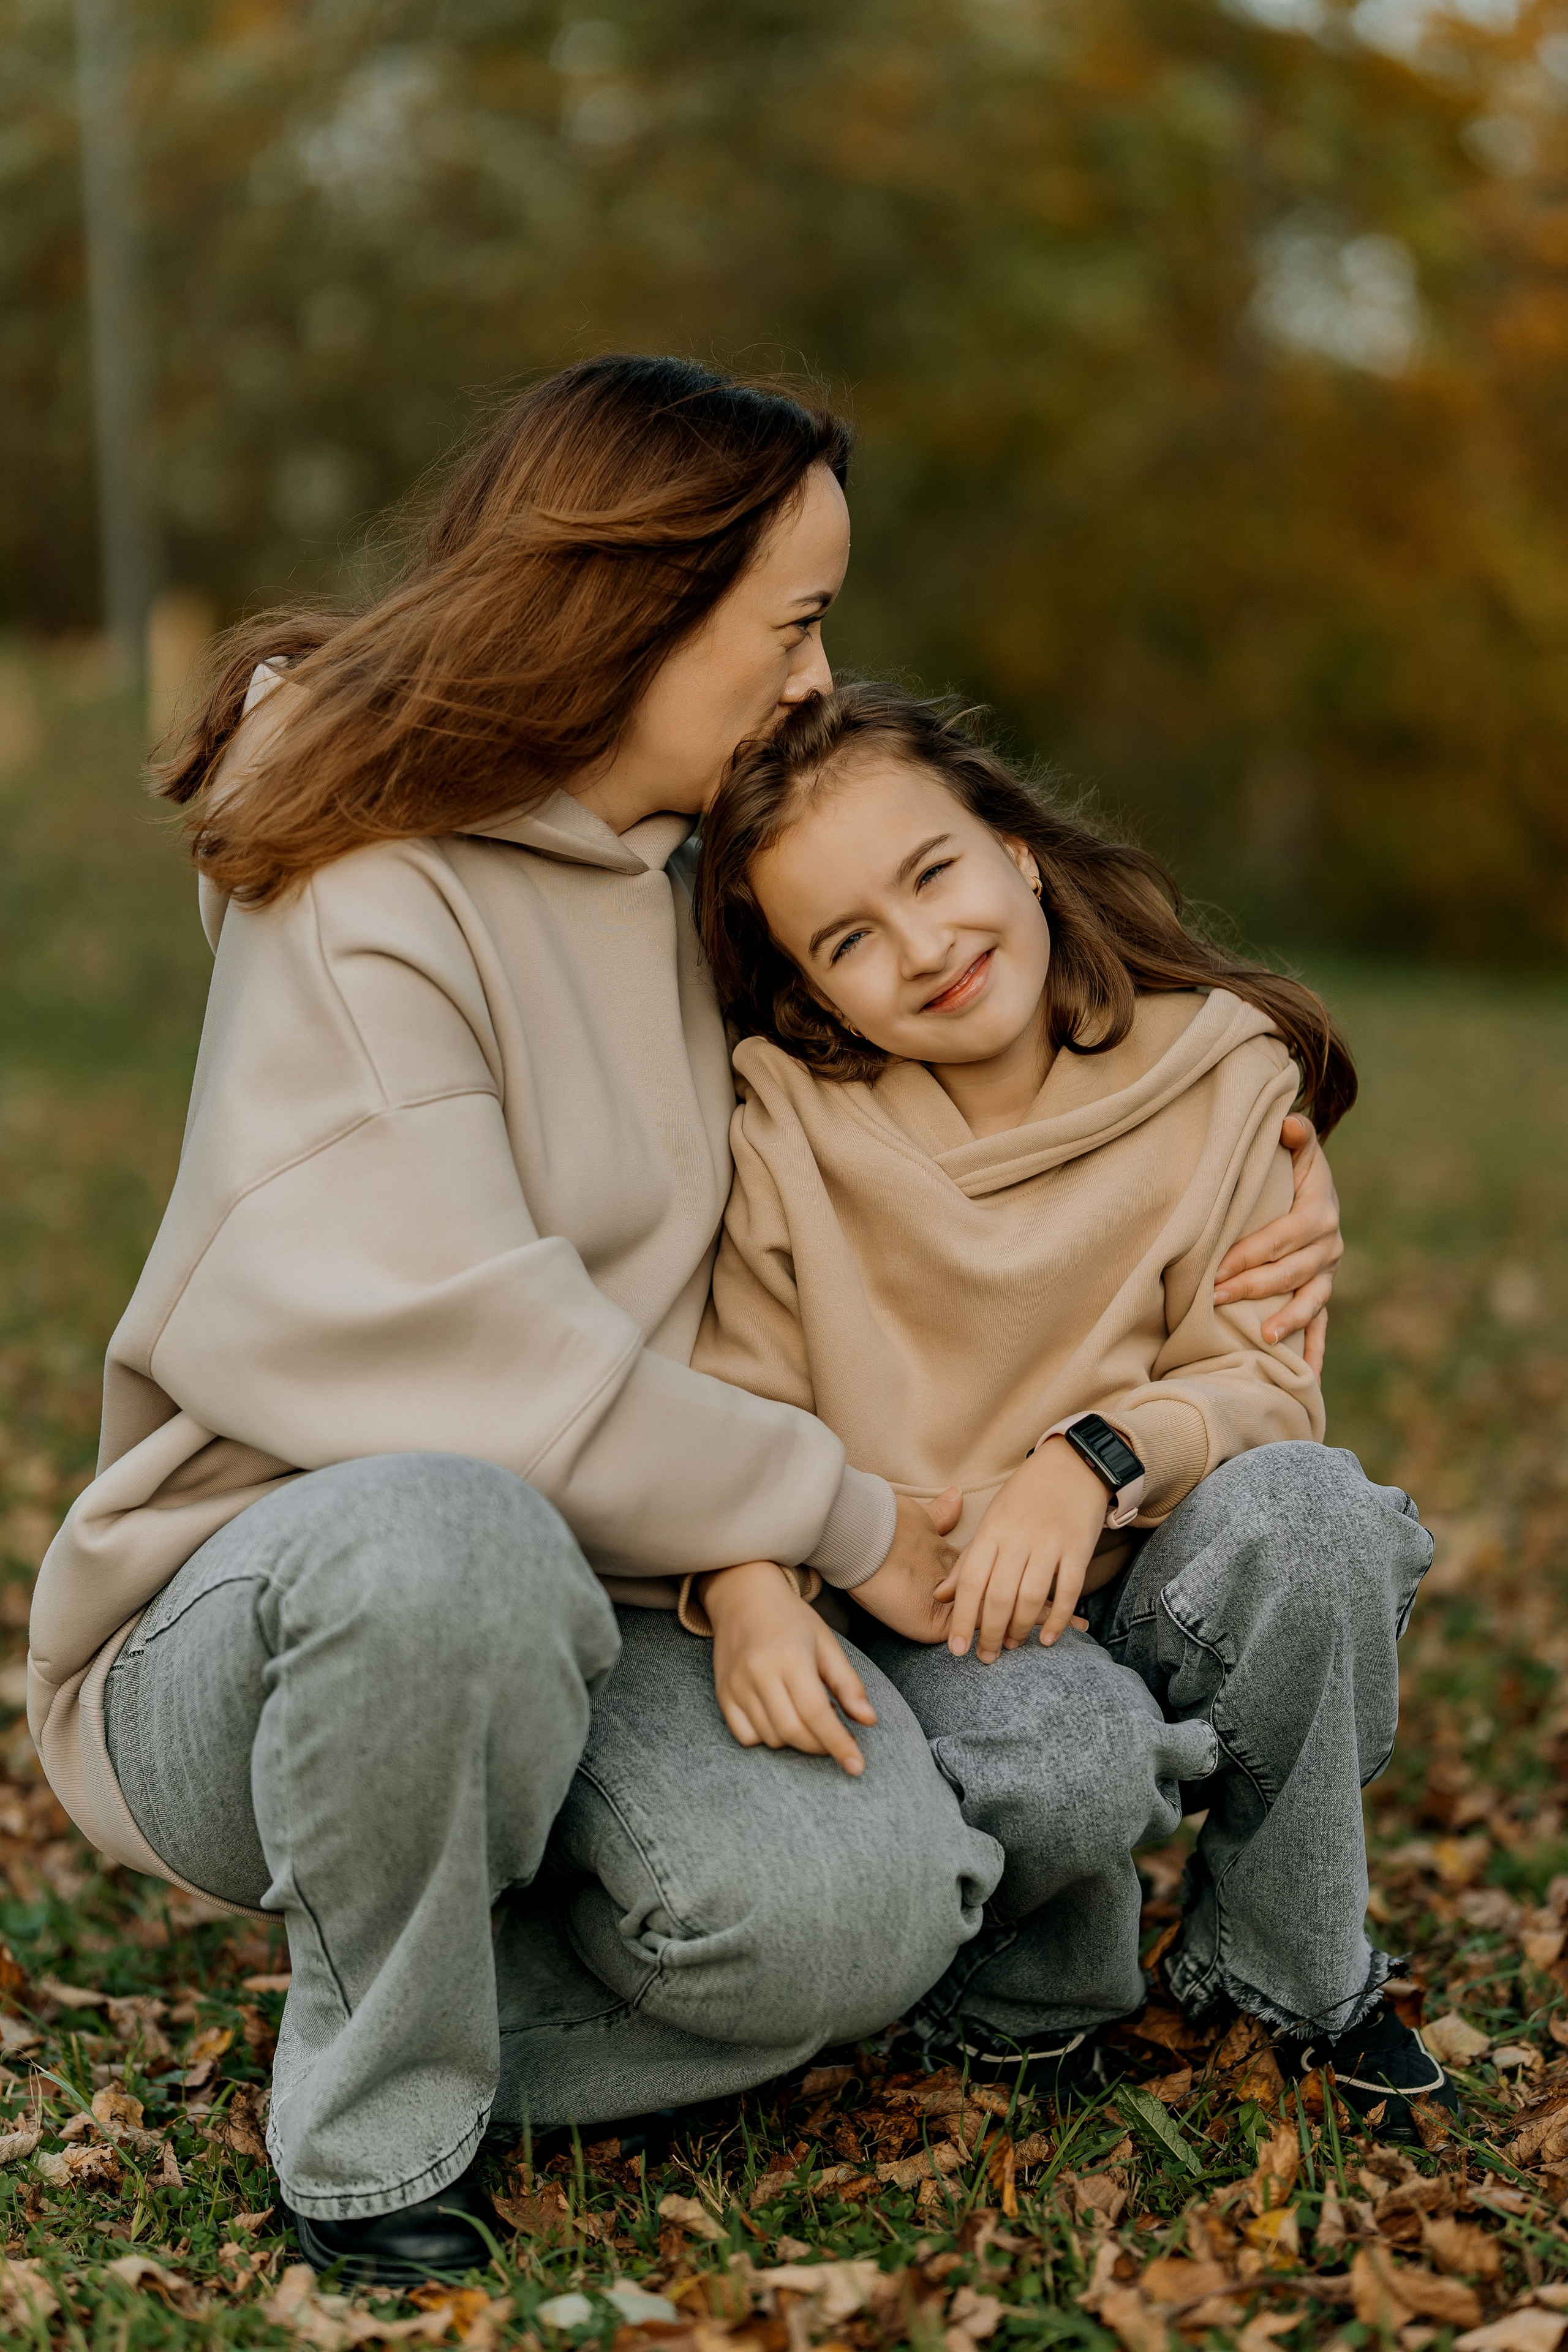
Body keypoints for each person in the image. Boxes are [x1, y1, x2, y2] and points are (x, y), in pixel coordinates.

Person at [27, 359, 1346, 2285]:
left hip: (626, 1588)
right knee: (447, 1528)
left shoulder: (692, 874)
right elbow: (481, 1371)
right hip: (288, 1598)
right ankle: (374, 2123)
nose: (820, 676)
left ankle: (458, 1976)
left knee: (862, 1924)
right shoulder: (368, 894)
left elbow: (947, 1046)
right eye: (792, 624)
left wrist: (1265, 1135)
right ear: (635, 614)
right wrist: (852, 1522)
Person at [686, 682, 1449, 2142]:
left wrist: (1090, 1458)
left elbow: (1263, 1382)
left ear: (1016, 847)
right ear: (806, 986)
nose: (923, 949)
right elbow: (743, 1404)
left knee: (1314, 1515)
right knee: (1063, 1754)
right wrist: (741, 1587)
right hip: (945, 1619)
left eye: (934, 872)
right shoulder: (785, 1125)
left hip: (1154, 1567)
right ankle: (1033, 1993)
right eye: (847, 939)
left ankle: (1288, 1977)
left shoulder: (1216, 1068)